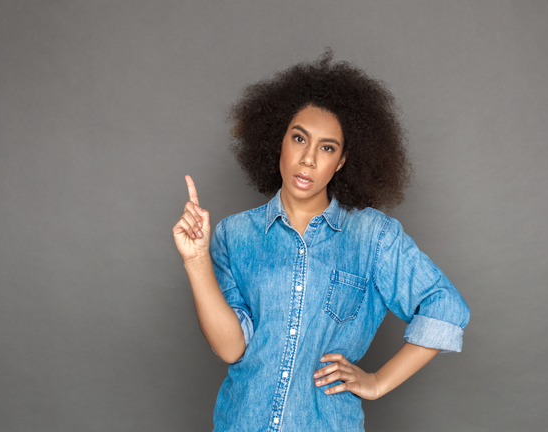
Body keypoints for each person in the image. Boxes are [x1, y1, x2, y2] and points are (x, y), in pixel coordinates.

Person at [173, 51, 470, 432]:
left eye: (327, 147)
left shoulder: (372, 237)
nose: (309, 159)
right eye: (299, 138)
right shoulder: (234, 235)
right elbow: (232, 348)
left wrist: (377, 382)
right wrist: (196, 262)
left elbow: (445, 307)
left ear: (342, 161)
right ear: (278, 139)